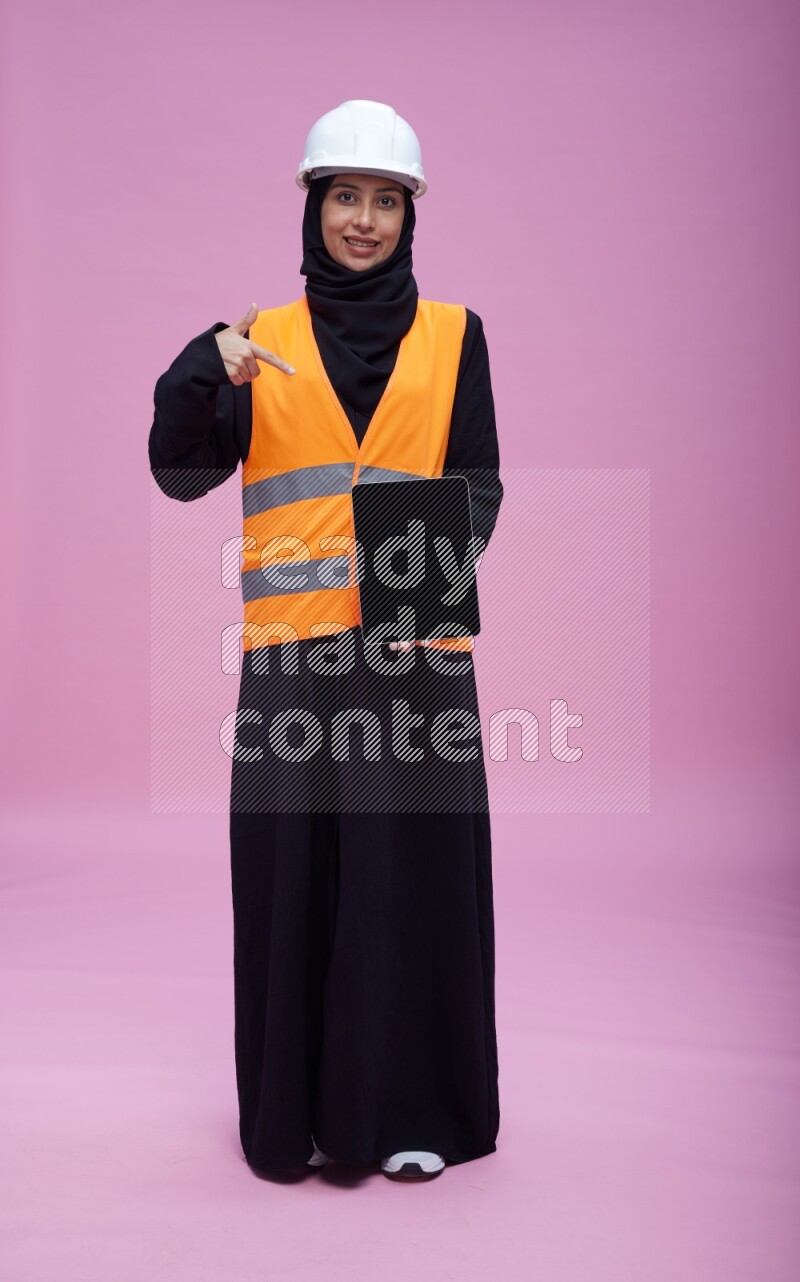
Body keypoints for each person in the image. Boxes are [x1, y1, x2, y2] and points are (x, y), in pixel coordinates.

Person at [148, 100, 504, 1181]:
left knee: (408, 882)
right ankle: (297, 1117)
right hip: (293, 661)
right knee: (292, 878)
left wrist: (403, 600)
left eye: (383, 201)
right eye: (343, 197)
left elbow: (477, 480)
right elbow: (180, 471)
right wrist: (198, 366)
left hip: (412, 654)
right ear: (313, 206)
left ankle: (408, 1117)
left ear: (409, 215)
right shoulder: (257, 343)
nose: (362, 219)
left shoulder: (455, 335)